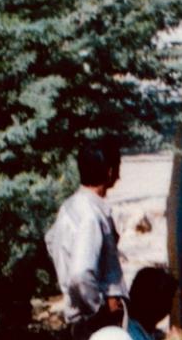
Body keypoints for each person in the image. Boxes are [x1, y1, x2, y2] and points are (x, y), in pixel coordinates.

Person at [45, 141, 125, 329]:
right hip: (95, 322)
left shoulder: (70, 206)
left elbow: (51, 241)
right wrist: (99, 306)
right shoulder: (91, 216)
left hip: (81, 316)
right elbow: (80, 273)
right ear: (110, 172)